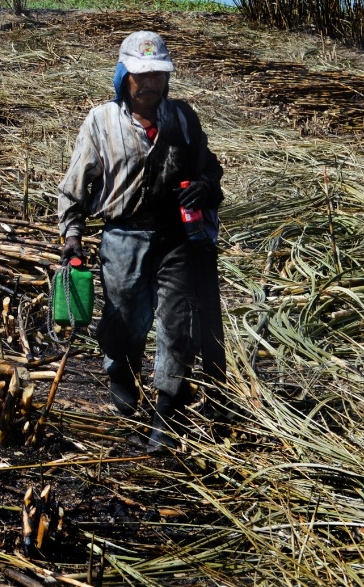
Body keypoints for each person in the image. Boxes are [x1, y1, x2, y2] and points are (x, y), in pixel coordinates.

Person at [57, 31, 224, 453]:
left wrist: (204, 186)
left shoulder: (183, 119)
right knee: (125, 321)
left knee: (178, 325)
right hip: (123, 236)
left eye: (157, 74)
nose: (149, 82)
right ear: (123, 76)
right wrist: (72, 235)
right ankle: (120, 375)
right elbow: (75, 187)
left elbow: (211, 169)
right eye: (141, 74)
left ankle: (166, 414)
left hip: (176, 238)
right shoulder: (101, 122)